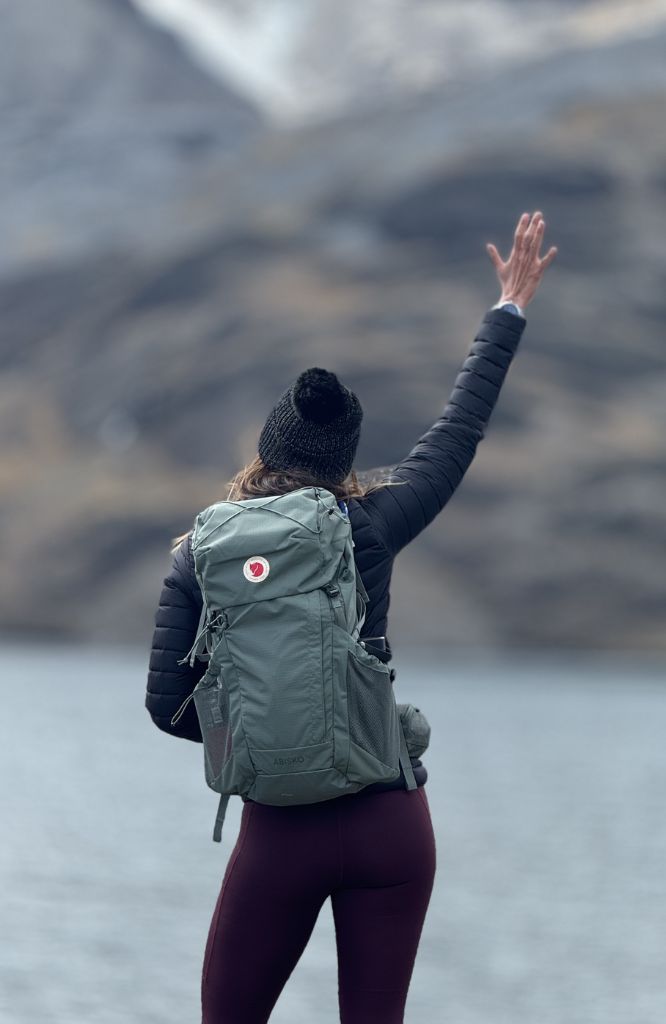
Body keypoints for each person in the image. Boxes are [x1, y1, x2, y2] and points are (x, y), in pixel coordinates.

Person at [145, 210, 557, 1024]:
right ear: (345, 462)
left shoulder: (202, 550)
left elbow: (169, 706)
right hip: (391, 826)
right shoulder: (372, 523)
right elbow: (457, 431)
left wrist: (266, 730)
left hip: (279, 835)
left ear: (268, 447)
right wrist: (506, 310)